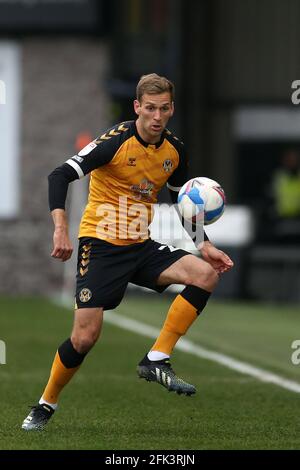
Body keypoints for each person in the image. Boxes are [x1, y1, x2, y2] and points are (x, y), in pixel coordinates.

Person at [22, 73, 234, 431]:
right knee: (85, 337)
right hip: (100, 247)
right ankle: (46, 404)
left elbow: (182, 202)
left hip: (140, 245)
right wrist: (60, 228)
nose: (156, 116)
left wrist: (205, 245)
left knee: (205, 274)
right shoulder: (115, 142)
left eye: (163, 108)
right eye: (149, 108)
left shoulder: (174, 151)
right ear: (137, 107)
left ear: (171, 109)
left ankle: (156, 358)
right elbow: (59, 176)